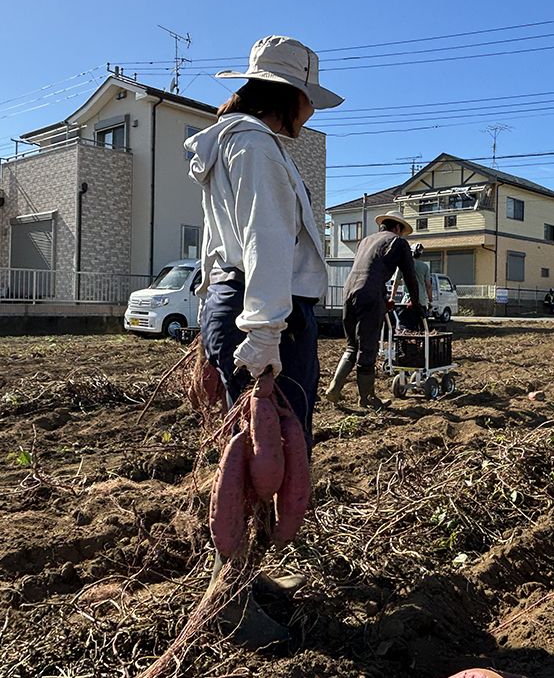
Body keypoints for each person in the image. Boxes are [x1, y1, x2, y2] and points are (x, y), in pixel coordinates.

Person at [184, 35, 342, 649]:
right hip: (266, 310)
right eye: (309, 103)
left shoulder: (236, 144)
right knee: (257, 461)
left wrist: (220, 328)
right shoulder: (255, 149)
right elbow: (266, 247)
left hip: (247, 305)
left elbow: (224, 252)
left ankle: (242, 580)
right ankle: (228, 601)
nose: (310, 115)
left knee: (253, 454)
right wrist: (263, 337)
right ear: (294, 96)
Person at [324, 210, 422, 408]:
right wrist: (416, 303)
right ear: (397, 227)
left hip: (349, 290)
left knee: (352, 345)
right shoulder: (398, 242)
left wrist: (383, 298)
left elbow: (369, 268)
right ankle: (367, 398)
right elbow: (409, 276)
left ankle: (334, 388)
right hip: (369, 293)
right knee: (368, 346)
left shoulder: (365, 241)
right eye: (401, 231)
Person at [390, 242, 433, 321]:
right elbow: (428, 285)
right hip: (421, 302)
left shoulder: (403, 265)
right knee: (421, 329)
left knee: (406, 328)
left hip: (407, 301)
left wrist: (392, 298)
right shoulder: (425, 267)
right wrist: (430, 301)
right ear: (420, 254)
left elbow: (396, 283)